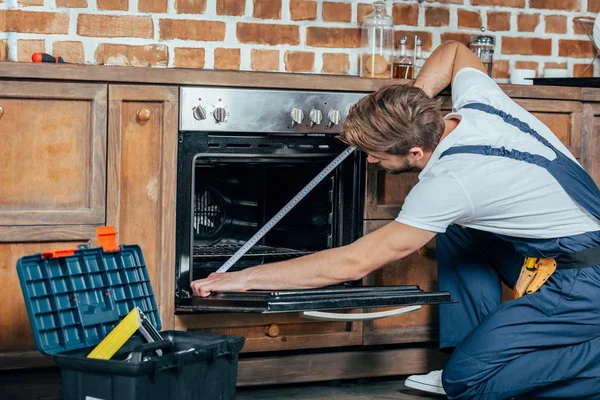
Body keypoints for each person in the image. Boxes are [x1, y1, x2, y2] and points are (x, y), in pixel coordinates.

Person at [190, 40, 600, 399]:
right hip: (565, 254)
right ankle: (473, 347)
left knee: (469, 384)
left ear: (417, 153)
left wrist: (243, 277)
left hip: (581, 284)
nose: (371, 161)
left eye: (378, 155)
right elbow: (455, 51)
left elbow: (354, 262)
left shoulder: (451, 182)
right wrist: (407, 107)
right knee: (456, 228)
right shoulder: (480, 104)